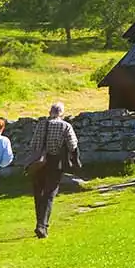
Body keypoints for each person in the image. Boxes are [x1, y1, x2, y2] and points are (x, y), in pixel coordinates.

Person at [31, 101, 79, 239]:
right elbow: (73, 145)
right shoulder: (65, 126)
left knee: (38, 194)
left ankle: (39, 223)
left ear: (49, 112)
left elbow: (33, 144)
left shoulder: (41, 125)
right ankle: (42, 226)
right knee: (49, 194)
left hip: (39, 162)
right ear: (61, 113)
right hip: (55, 162)